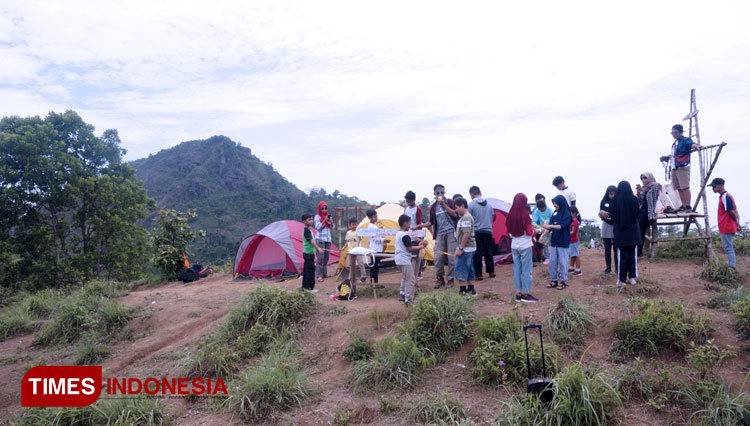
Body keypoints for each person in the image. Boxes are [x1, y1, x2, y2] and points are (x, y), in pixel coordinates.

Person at [417, 184, 458, 289]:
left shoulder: (451, 202)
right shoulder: (433, 207)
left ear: (444, 193)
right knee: (438, 257)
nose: (440, 194)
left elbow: (455, 214)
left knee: (451, 257)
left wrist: (444, 204)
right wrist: (420, 225)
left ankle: (450, 279)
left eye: (442, 192)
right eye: (438, 193)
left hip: (451, 232)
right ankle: (440, 278)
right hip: (439, 233)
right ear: (434, 194)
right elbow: (431, 222)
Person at [662, 124, 702, 212]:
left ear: (680, 132)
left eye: (675, 132)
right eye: (672, 132)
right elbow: (674, 155)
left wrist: (696, 146)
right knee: (678, 188)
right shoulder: (674, 143)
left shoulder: (685, 140)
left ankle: (688, 206)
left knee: (685, 187)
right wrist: (666, 157)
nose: (673, 134)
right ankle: (683, 205)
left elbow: (691, 144)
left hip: (682, 166)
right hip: (674, 166)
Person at [507, 193, 537, 302]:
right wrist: (535, 231)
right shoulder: (525, 214)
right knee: (526, 269)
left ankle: (518, 293)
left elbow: (508, 230)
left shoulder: (510, 214)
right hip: (525, 244)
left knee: (517, 269)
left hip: (514, 244)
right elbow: (529, 232)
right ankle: (526, 293)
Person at [611, 181, 642, 286]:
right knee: (632, 256)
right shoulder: (634, 200)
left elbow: (613, 217)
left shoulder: (615, 201)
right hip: (633, 232)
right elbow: (638, 214)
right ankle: (632, 278)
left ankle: (621, 280)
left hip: (620, 233)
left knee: (621, 257)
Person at [395, 214, 429, 306]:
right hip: (404, 260)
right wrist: (422, 246)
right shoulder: (405, 235)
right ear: (405, 223)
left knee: (405, 277)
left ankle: (402, 293)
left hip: (398, 259)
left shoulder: (398, 234)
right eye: (409, 223)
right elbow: (410, 248)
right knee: (410, 279)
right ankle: (408, 299)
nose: (410, 225)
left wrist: (418, 242)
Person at [709, 178, 740, 268]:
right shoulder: (726, 196)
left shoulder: (725, 196)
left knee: (728, 248)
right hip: (728, 226)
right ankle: (731, 266)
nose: (713, 188)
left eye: (714, 186)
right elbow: (735, 210)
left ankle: (731, 267)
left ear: (721, 186)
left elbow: (731, 211)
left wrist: (737, 223)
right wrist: (737, 222)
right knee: (729, 247)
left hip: (727, 226)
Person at [542, 195, 572, 290]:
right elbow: (549, 228)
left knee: (563, 262)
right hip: (554, 241)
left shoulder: (567, 215)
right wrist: (543, 235)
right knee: (553, 262)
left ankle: (563, 281)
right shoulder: (555, 213)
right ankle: (553, 280)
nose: (554, 205)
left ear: (561, 203)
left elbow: (561, 226)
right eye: (554, 203)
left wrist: (550, 225)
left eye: (556, 203)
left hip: (563, 242)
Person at [468, 186, 496, 281]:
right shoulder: (489, 205)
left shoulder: (471, 205)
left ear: (472, 194)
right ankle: (491, 271)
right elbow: (492, 217)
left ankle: (479, 274)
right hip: (488, 231)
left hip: (477, 232)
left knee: (478, 253)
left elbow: (468, 218)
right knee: (489, 252)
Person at [453, 198, 477, 296]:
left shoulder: (466, 218)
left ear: (462, 206)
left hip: (466, 248)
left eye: (457, 208)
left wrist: (460, 248)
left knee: (461, 268)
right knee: (469, 267)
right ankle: (471, 289)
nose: (456, 210)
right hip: (469, 248)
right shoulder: (465, 217)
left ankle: (462, 291)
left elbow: (466, 234)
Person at [637, 172, 661, 257]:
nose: (643, 180)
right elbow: (641, 203)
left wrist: (644, 191)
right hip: (642, 211)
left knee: (640, 231)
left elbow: (652, 200)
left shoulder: (655, 186)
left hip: (649, 212)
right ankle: (639, 251)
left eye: (645, 178)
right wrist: (639, 194)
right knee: (640, 231)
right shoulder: (644, 189)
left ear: (650, 178)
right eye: (642, 178)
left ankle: (639, 252)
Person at [301, 214, 324, 292]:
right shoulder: (306, 230)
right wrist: (318, 248)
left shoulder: (308, 229)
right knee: (310, 271)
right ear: (304, 221)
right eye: (309, 220)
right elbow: (310, 240)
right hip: (308, 254)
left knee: (306, 270)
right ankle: (310, 288)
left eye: (311, 219)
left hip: (308, 253)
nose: (311, 221)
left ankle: (305, 287)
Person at [599, 185, 618, 274]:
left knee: (616, 249)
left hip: (616, 226)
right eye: (610, 194)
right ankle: (608, 268)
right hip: (606, 226)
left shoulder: (619, 201)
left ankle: (617, 268)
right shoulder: (603, 201)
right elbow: (600, 212)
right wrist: (601, 212)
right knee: (607, 249)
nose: (612, 196)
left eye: (614, 194)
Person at [314, 201, 333, 281]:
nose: (324, 210)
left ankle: (324, 273)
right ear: (320, 208)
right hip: (320, 239)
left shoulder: (328, 216)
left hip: (328, 239)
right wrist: (324, 220)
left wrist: (331, 221)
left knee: (326, 257)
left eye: (325, 208)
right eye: (322, 208)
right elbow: (318, 227)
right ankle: (319, 275)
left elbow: (332, 227)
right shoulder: (317, 217)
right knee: (320, 258)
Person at [532, 194, 553, 264]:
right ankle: (547, 257)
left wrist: (548, 226)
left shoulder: (549, 210)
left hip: (551, 226)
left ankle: (551, 256)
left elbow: (553, 219)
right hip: (543, 228)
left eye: (542, 209)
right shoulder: (537, 211)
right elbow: (533, 222)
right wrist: (540, 228)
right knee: (545, 242)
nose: (541, 210)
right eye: (540, 209)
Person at [344, 218, 366, 282]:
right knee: (351, 264)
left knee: (360, 263)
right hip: (351, 251)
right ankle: (350, 277)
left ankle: (363, 275)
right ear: (350, 225)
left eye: (356, 224)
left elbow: (359, 240)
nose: (354, 226)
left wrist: (356, 248)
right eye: (353, 224)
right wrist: (343, 248)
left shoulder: (358, 232)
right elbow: (347, 241)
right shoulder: (348, 233)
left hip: (357, 250)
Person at [366, 209, 384, 284]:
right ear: (370, 217)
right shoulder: (372, 227)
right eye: (374, 216)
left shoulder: (373, 226)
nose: (376, 218)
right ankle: (374, 283)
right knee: (375, 266)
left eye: (376, 216)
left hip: (376, 248)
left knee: (375, 266)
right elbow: (375, 239)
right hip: (375, 249)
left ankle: (374, 282)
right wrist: (383, 240)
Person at [568, 206, 581, 276]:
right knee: (572, 255)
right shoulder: (572, 220)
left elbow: (573, 231)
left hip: (574, 240)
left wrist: (566, 233)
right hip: (571, 240)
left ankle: (578, 269)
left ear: (574, 213)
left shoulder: (574, 221)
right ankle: (572, 267)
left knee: (575, 255)